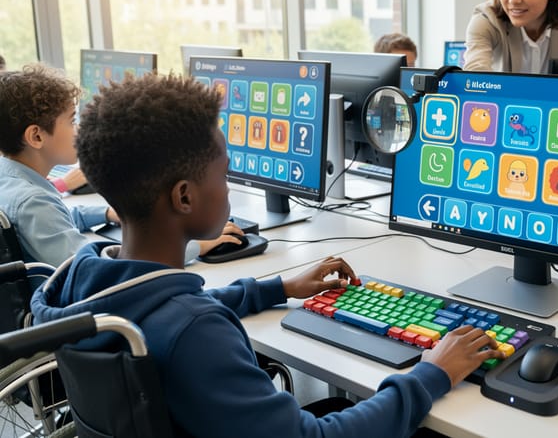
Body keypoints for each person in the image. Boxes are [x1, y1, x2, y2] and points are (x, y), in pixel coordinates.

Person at [31, 73, 505, 437]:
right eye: (224, 174)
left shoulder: (85, 280)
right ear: (184, 197)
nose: (230, 187)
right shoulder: (196, 333)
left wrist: (277, 287)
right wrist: (430, 374)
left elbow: (158, 311)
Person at [0, 65, 243, 267]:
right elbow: (98, 272)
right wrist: (194, 245)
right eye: (72, 120)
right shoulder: (33, 203)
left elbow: (59, 219)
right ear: (36, 137)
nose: (79, 128)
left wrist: (106, 213)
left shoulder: (12, 180)